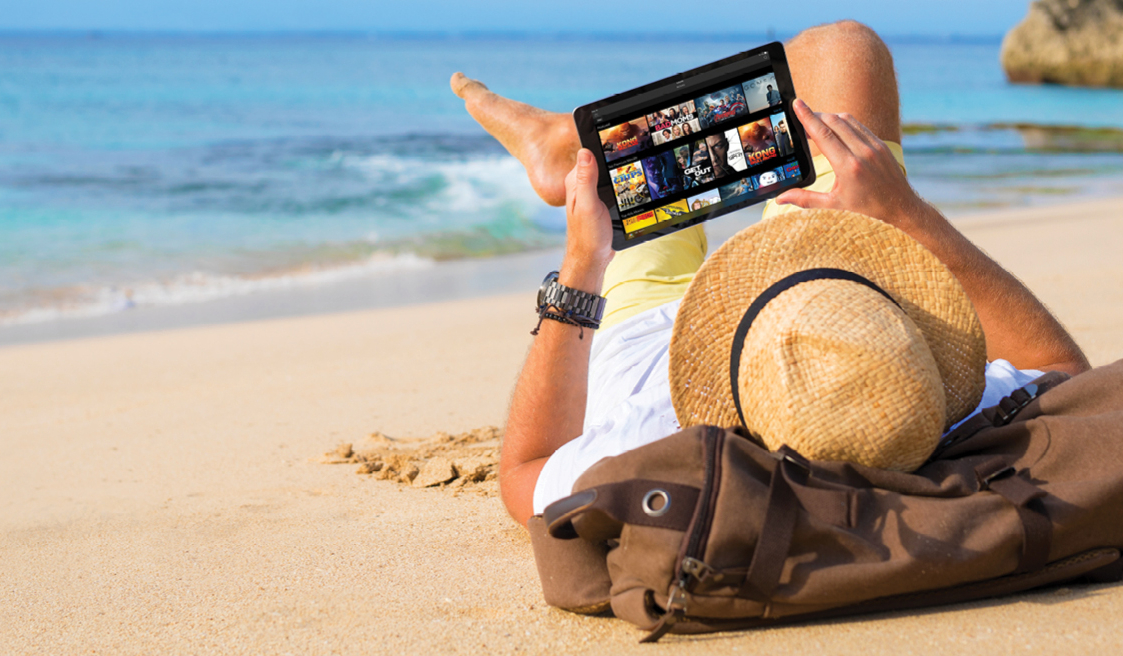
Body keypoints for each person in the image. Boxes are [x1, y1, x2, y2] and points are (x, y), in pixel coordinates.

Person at [449, 20, 1090, 525]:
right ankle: (573, 148)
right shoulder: (913, 415)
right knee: (842, 50)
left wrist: (581, 265)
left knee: (633, 184)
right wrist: (903, 211)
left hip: (653, 342)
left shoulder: (651, 451)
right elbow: (1063, 370)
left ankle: (570, 152)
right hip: (824, 309)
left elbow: (523, 471)